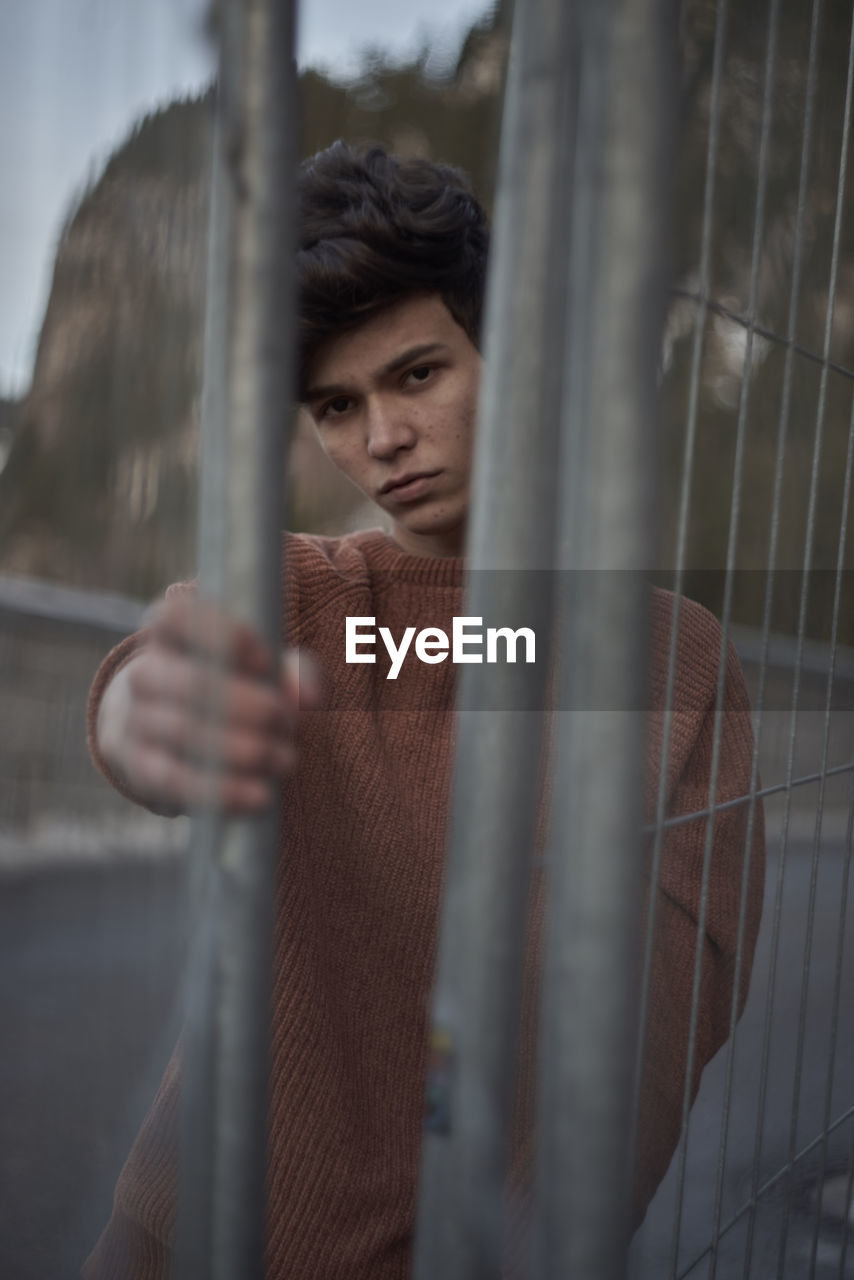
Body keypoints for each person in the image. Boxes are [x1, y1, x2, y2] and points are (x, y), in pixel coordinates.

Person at [83, 142, 765, 1279]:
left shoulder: (672, 661)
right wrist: (141, 712)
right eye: (335, 405)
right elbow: (157, 668)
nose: (380, 440)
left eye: (416, 375)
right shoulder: (301, 588)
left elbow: (668, 1016)